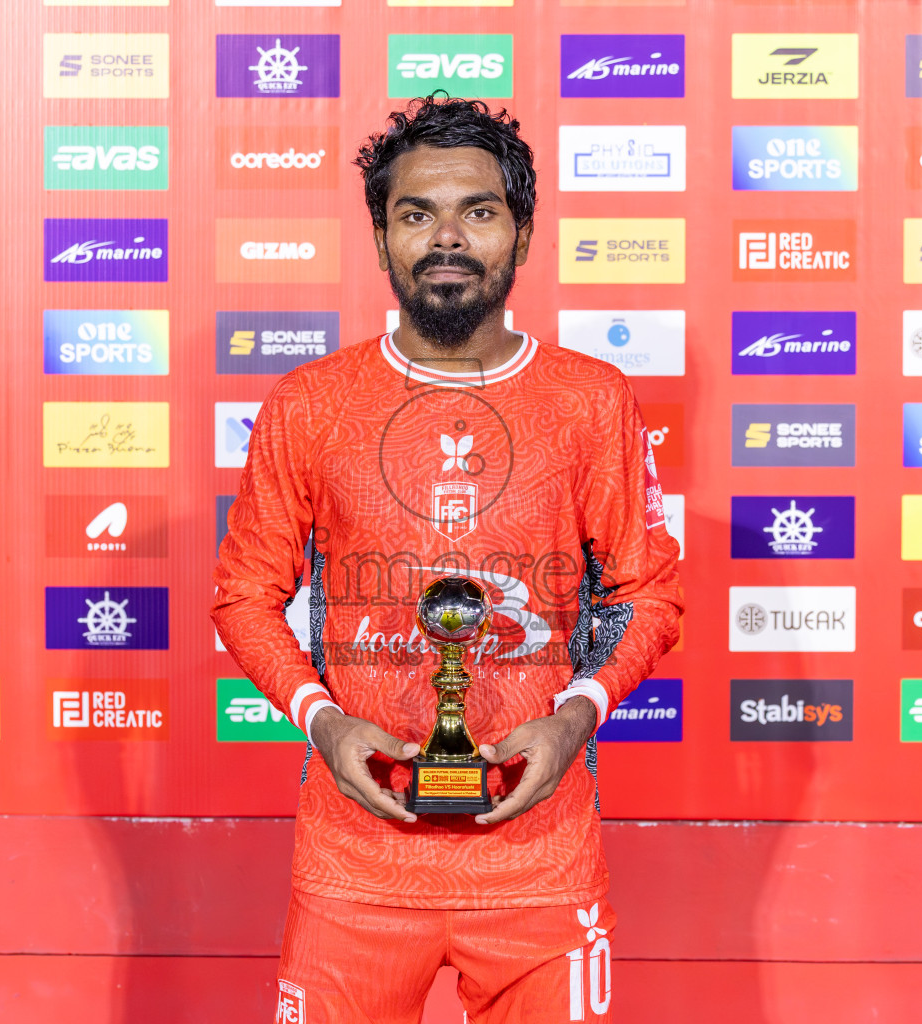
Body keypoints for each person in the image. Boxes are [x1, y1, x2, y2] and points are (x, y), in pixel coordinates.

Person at [211, 94, 683, 1024]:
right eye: (416, 213)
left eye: (478, 210)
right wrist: (322, 722)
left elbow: (647, 594)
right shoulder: (309, 403)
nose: (447, 238)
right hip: (356, 861)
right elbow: (244, 596)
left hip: (538, 861)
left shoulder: (592, 401)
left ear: (523, 230)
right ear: (381, 236)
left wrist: (574, 719)